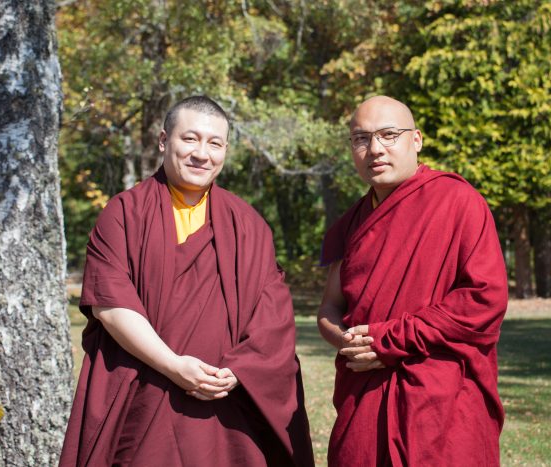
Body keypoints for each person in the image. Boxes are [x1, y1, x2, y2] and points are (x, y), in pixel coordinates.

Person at [60, 96, 314, 466]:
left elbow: (273, 317)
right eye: (189, 139)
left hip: (226, 410)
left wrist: (238, 371)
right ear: (165, 140)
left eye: (214, 143)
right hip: (146, 395)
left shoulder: (248, 225)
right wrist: (174, 366)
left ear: (225, 149)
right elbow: (111, 306)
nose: (201, 153)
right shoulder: (125, 214)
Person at [317, 95, 508, 466]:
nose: (374, 149)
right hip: (365, 393)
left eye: (389, 135)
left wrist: (386, 340)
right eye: (361, 138)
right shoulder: (353, 223)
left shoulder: (458, 201)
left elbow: (484, 298)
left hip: (441, 399)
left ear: (416, 140)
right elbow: (330, 306)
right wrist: (346, 341)